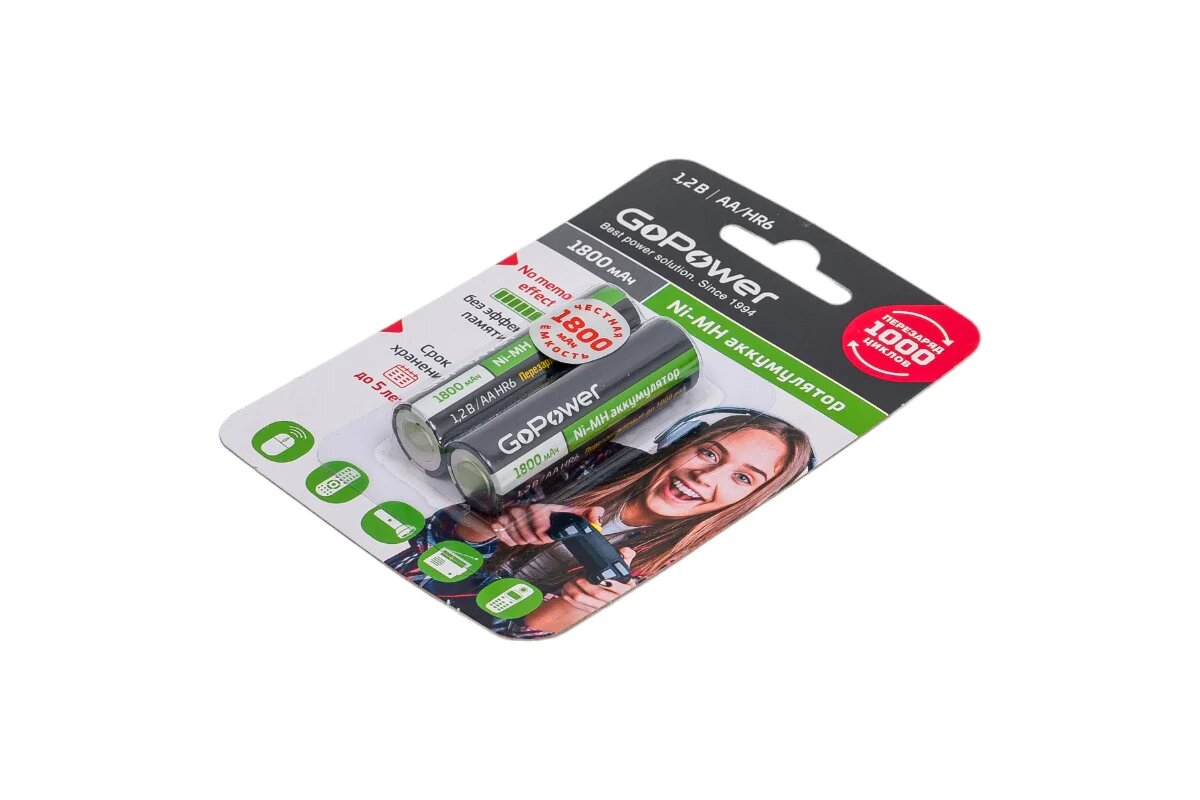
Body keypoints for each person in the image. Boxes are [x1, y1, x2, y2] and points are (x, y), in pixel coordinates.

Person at [387, 411, 814, 637]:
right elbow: (427, 543)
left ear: (752, 502)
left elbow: (516, 632)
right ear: (682, 443)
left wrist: (574, 610)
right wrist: (503, 522)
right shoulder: (600, 461)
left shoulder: (686, 567)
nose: (706, 476)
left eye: (743, 479)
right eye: (709, 453)